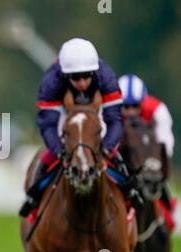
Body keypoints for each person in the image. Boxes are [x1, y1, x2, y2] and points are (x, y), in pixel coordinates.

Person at [19, 38, 136, 217]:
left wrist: (105, 149)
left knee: (116, 158)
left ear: (94, 72)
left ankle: (130, 195)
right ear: (66, 75)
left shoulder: (106, 77)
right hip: (65, 115)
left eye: (87, 75)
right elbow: (48, 124)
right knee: (48, 156)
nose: (82, 82)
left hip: (97, 115)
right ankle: (33, 197)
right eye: (75, 77)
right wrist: (59, 151)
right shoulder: (52, 81)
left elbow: (114, 120)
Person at [118, 74, 175, 211]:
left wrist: (152, 163)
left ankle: (168, 213)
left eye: (135, 106)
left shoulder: (158, 111)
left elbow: (165, 145)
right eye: (125, 106)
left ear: (143, 102)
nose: (130, 112)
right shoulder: (110, 110)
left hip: (147, 160)